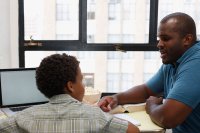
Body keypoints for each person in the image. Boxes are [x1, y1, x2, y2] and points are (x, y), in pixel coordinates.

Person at [98, 12, 200, 133]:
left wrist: (151, 106)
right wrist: (115, 98)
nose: (159, 44)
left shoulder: (196, 63)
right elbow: (146, 90)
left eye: (166, 39)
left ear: (187, 39)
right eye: (159, 39)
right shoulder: (173, 60)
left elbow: (167, 118)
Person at [0, 53, 139, 133]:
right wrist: (101, 114)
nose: (84, 86)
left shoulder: (24, 117)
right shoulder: (96, 117)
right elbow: (134, 131)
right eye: (81, 81)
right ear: (70, 86)